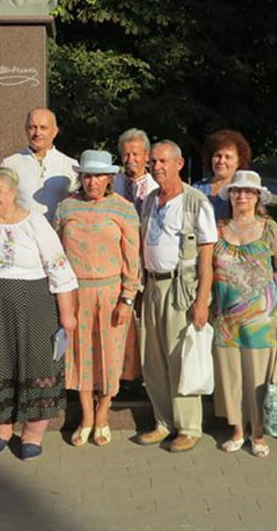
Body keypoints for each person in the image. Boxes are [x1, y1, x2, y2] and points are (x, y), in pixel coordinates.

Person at [0, 167, 78, 460]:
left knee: (37, 364)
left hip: (34, 308)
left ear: (13, 193)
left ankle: (33, 433)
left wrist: (67, 315)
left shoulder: (34, 222)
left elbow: (59, 267)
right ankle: (1, 428)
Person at [54, 150, 140, 447]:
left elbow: (133, 259)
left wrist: (127, 299)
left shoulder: (124, 209)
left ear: (109, 179)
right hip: (75, 292)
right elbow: (56, 254)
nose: (92, 182)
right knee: (79, 354)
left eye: (98, 176)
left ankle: (103, 414)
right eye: (87, 176)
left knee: (109, 354)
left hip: (110, 292)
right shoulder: (66, 207)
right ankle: (86, 417)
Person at [136, 141, 217, 453]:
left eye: (164, 161)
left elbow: (207, 257)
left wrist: (201, 301)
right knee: (153, 359)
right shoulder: (150, 200)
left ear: (179, 164)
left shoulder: (196, 202)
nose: (158, 167)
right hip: (153, 286)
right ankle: (163, 422)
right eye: (153, 161)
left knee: (180, 357)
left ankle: (188, 427)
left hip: (180, 288)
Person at [211, 170, 277, 459]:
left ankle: (258, 432)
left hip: (263, 320)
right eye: (236, 191)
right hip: (226, 320)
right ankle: (237, 429)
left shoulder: (270, 229)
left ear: (258, 197)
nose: (242, 196)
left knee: (258, 376)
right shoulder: (218, 229)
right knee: (231, 376)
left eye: (248, 191)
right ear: (229, 195)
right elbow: (207, 270)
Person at [113, 128, 159, 383]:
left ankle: (146, 374)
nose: (130, 159)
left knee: (146, 322)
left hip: (147, 262)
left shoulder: (155, 187)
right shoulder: (115, 183)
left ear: (147, 156)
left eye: (135, 154)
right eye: (125, 154)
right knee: (123, 321)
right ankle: (125, 374)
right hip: (119, 262)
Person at [0, 107, 78, 222]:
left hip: (56, 235)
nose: (37, 133)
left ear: (55, 132)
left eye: (43, 128)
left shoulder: (70, 165)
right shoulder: (9, 164)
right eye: (32, 127)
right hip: (23, 234)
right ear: (26, 130)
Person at [193, 129, 253, 220]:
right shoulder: (197, 188)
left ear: (239, 162)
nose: (221, 161)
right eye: (218, 156)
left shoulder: (243, 191)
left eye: (228, 157)